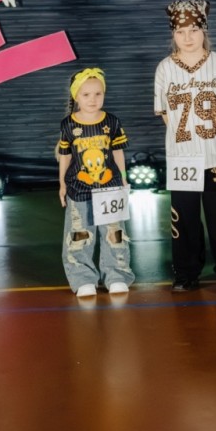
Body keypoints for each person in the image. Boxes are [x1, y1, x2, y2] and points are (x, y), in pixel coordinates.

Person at [154, 0, 216, 294]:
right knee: (184, 219)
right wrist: (187, 140)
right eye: (181, 32)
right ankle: (186, 273)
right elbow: (166, 114)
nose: (188, 37)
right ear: (173, 35)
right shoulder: (165, 69)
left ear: (204, 30)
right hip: (183, 157)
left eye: (194, 30)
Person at [56, 67, 134, 297]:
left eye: (98, 94)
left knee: (114, 232)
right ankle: (82, 278)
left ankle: (117, 275)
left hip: (109, 187)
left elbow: (118, 152)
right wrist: (62, 184)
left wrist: (123, 178)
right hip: (78, 188)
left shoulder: (111, 121)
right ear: (76, 96)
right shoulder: (68, 124)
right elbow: (65, 156)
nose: (92, 99)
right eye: (86, 94)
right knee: (79, 233)